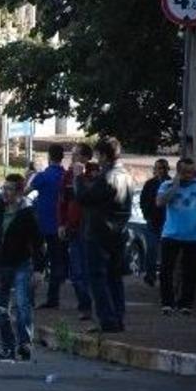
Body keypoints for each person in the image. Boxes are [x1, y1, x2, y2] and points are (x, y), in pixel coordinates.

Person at [74, 137, 133, 334]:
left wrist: (78, 178)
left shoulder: (107, 176)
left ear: (105, 155)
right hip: (118, 233)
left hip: (99, 233)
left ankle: (107, 320)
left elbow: (84, 198)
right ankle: (118, 317)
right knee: (114, 277)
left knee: (97, 277)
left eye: (99, 155)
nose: (97, 159)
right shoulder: (126, 174)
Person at [0, 174, 44, 361]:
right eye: (3, 188)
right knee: (0, 308)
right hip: (0, 264)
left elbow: (38, 243)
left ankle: (25, 344)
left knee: (23, 304)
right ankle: (8, 346)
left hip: (22, 263)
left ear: (20, 192)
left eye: (9, 189)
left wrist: (39, 269)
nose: (5, 192)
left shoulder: (27, 213)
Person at [155, 158, 196, 315]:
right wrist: (175, 186)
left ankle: (185, 304)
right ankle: (167, 303)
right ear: (178, 171)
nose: (189, 175)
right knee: (167, 270)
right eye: (185, 172)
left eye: (191, 172)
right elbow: (160, 203)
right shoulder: (166, 185)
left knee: (191, 272)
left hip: (193, 236)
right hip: (171, 234)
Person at [57, 144, 96, 321]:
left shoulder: (94, 174)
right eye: (72, 155)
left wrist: (81, 177)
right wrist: (62, 223)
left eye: (77, 155)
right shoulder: (68, 175)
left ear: (86, 157)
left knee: (90, 270)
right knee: (77, 272)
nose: (73, 158)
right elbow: (63, 202)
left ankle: (92, 305)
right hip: (73, 228)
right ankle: (84, 305)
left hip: (90, 229)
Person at [27, 144, 66, 309]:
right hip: (60, 225)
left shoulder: (44, 176)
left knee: (36, 263)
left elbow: (26, 191)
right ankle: (53, 298)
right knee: (57, 262)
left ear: (50, 157)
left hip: (41, 225)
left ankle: (29, 299)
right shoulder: (65, 176)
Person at [139, 158, 171, 286]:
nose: (160, 170)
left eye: (163, 168)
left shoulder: (171, 183)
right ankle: (150, 275)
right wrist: (147, 215)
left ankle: (165, 276)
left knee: (166, 251)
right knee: (151, 249)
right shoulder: (150, 184)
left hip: (167, 222)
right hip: (153, 220)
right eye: (158, 168)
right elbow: (143, 200)